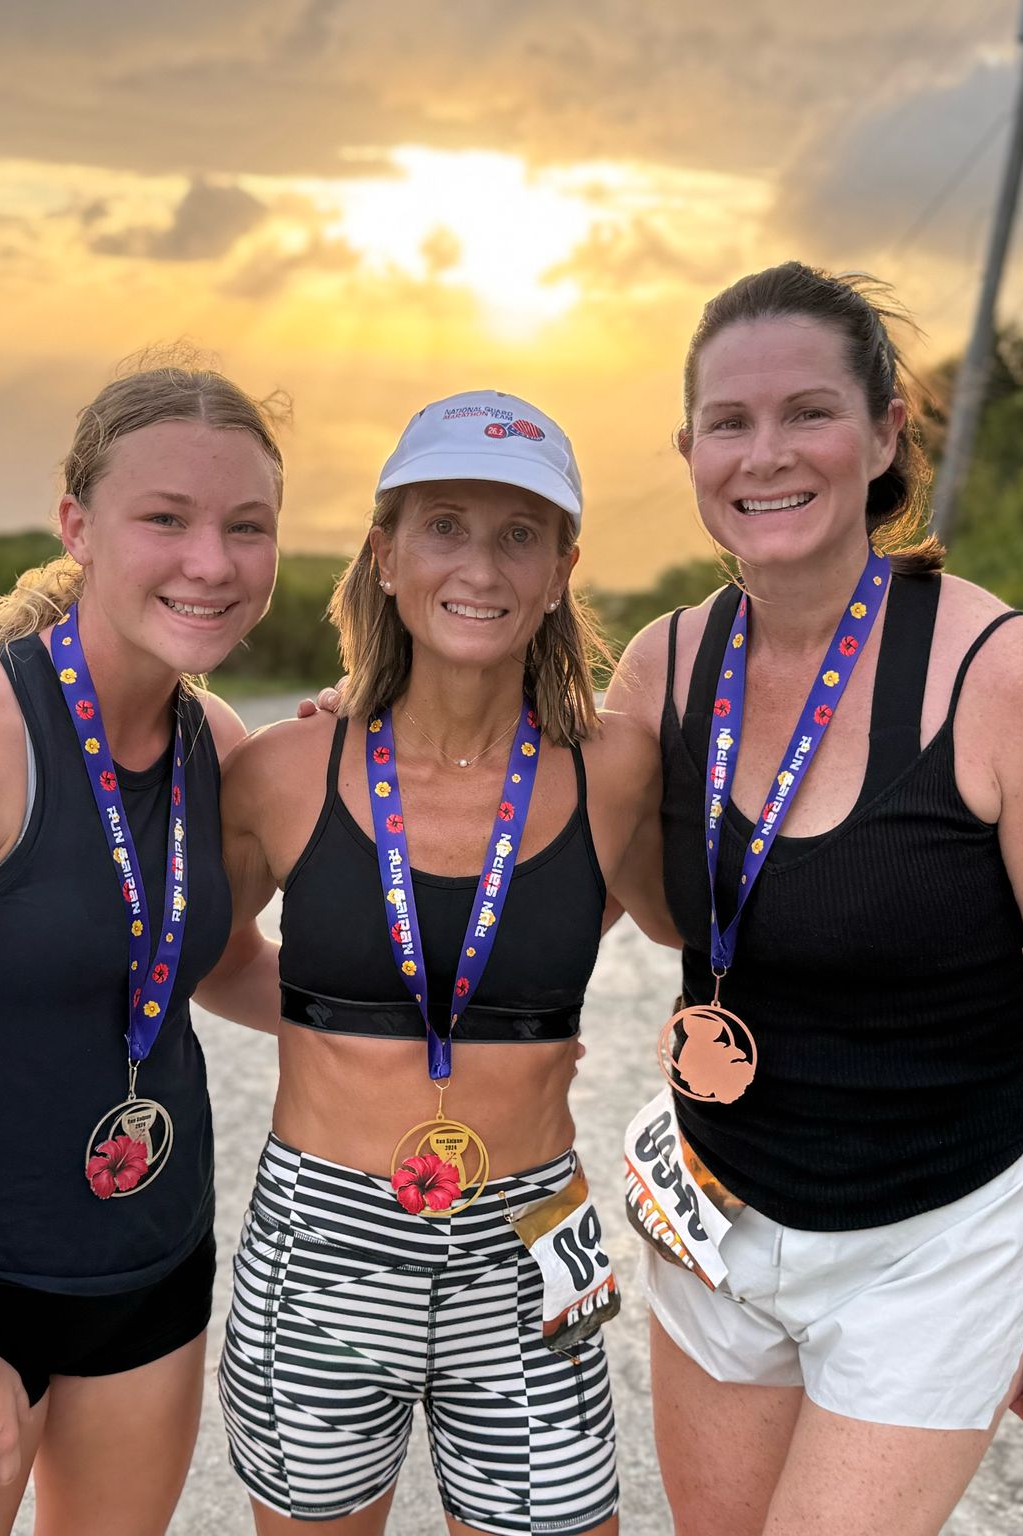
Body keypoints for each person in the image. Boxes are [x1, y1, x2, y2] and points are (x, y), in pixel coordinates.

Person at [602, 264, 1023, 1536]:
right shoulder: (664, 665)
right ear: (689, 450)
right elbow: (660, 914)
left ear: (886, 432)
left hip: (933, 1236)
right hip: (718, 1216)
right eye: (727, 424)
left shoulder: (1003, 675)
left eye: (808, 413)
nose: (765, 454)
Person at [0, 362, 291, 1536]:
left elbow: (202, 955)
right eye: (166, 520)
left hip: (148, 1269)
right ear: (77, 525)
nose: (212, 561)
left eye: (247, 527)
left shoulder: (209, 735)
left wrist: (388, 1020)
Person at [215, 391, 658, 1536]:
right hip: (322, 1243)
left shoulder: (613, 772)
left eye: (520, 534)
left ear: (561, 567)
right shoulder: (283, 769)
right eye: (444, 526)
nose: (482, 564)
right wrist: (339, 1029)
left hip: (528, 1237)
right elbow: (204, 956)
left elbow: (676, 921)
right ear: (386, 553)